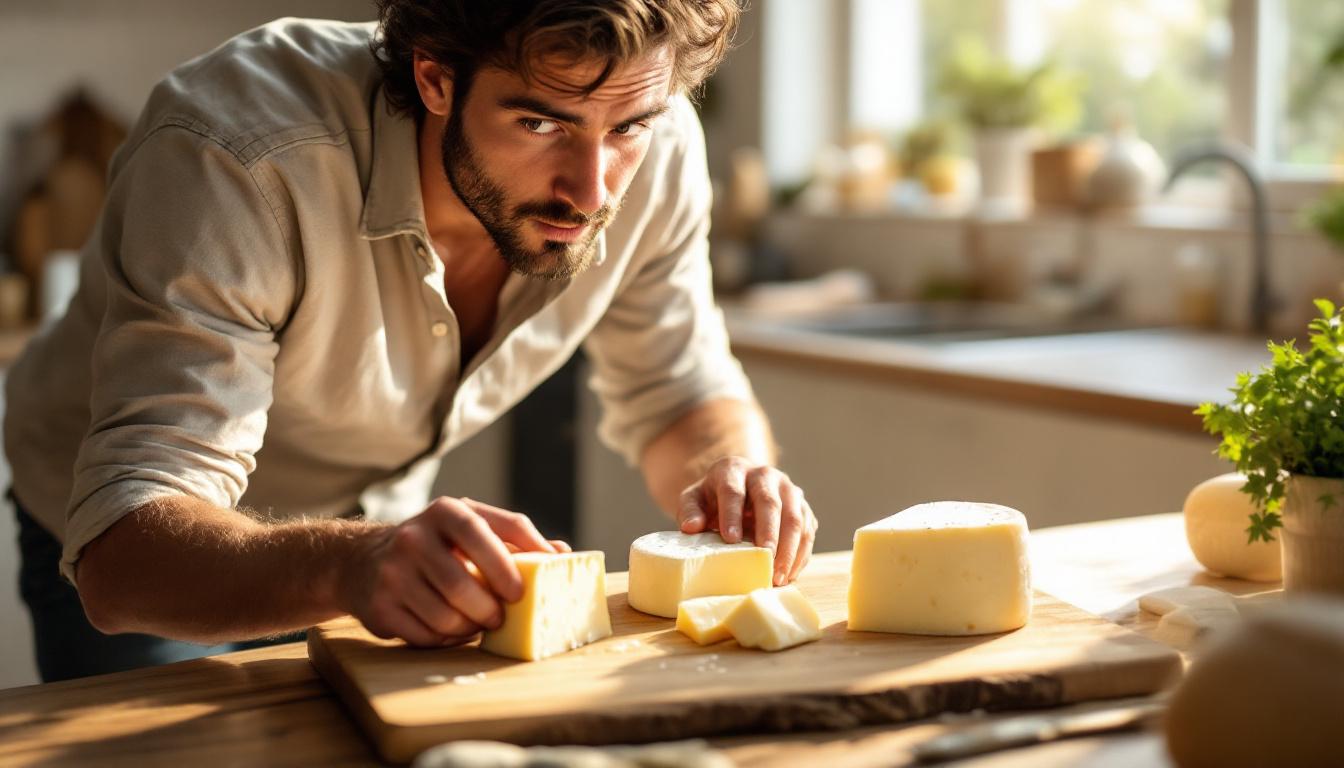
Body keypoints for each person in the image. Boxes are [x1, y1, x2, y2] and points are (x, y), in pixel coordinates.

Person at [5, 0, 817, 683]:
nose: (592, 189)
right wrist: (349, 565)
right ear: (434, 77)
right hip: (151, 542)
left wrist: (729, 478)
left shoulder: (659, 143)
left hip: (370, 539)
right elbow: (123, 554)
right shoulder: (239, 152)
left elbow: (679, 390)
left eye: (629, 127)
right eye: (541, 122)